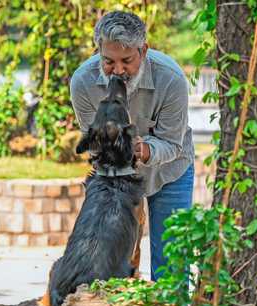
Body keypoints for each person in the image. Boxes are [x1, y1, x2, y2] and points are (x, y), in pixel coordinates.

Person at [70, 11, 194, 281]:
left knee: (171, 264)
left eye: (127, 60)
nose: (118, 70)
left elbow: (173, 143)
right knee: (115, 262)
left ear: (144, 50)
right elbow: (94, 146)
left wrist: (142, 150)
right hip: (117, 180)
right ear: (99, 52)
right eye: (108, 61)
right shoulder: (82, 83)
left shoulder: (171, 79)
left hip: (170, 172)